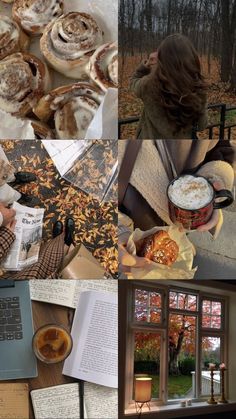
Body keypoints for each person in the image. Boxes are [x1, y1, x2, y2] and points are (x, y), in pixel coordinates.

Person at [119, 139, 235, 270]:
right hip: (135, 227)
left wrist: (215, 180)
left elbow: (223, 149)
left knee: (183, 228)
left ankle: (180, 238)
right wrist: (118, 230)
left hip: (187, 215)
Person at [130, 34, 208, 139]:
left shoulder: (149, 85)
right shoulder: (197, 88)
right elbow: (201, 126)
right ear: (191, 58)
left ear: (162, 59)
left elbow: (133, 82)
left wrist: (145, 65)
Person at [0, 203, 75, 280]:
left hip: (11, 280)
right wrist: (6, 233)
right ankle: (67, 241)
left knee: (41, 253)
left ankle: (59, 240)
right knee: (47, 256)